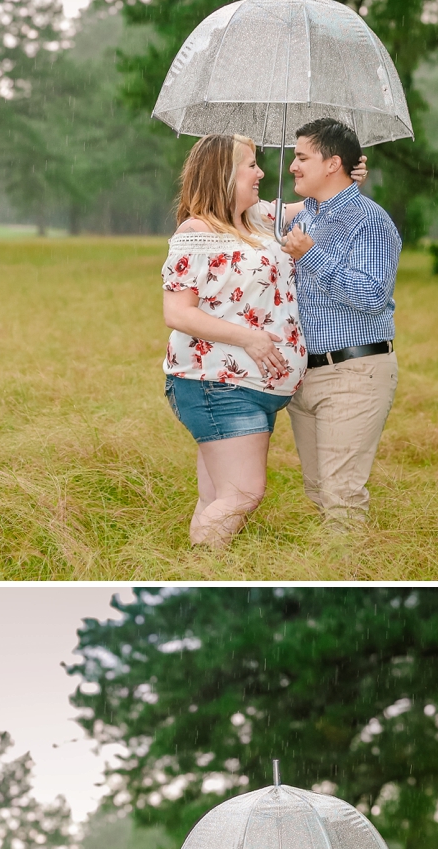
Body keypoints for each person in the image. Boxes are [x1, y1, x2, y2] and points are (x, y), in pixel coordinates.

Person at [161, 135, 306, 548]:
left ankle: (202, 568)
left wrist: (345, 174)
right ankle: (197, 575)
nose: (261, 173)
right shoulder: (198, 231)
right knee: (243, 493)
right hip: (217, 383)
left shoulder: (258, 218)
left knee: (216, 496)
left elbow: (316, 203)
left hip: (254, 387)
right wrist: (251, 340)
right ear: (224, 174)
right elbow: (177, 313)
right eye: (251, 165)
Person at [279, 119, 403, 527]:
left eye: (301, 157)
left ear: (332, 164)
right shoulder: (305, 216)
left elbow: (371, 296)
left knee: (341, 495)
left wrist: (310, 255)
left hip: (354, 372)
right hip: (306, 375)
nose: (293, 166)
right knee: (318, 489)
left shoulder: (371, 221)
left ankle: (349, 575)